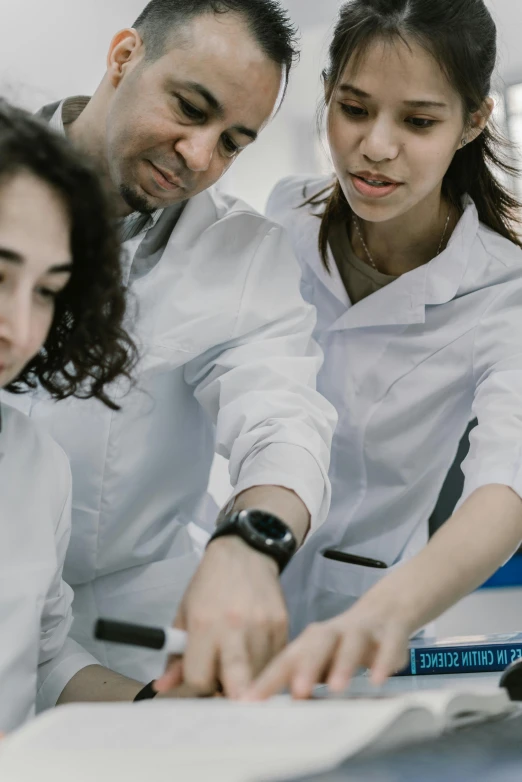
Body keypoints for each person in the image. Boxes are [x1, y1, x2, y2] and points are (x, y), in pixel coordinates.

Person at [6, 0, 336, 704]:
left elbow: (285, 417)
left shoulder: (239, 255)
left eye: (232, 143)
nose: (198, 157)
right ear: (125, 57)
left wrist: (252, 542)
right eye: (190, 108)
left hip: (110, 628)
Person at [245, 0, 522, 700]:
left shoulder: (504, 290)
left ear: (474, 121)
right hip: (217, 582)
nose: (375, 146)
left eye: (419, 121)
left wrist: (374, 620)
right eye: (355, 108)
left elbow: (506, 488)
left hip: (365, 618)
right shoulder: (281, 218)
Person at [0, 101, 152, 731]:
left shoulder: (36, 466)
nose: (19, 328)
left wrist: (160, 709)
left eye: (46, 291)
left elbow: (40, 659)